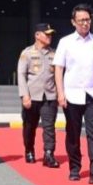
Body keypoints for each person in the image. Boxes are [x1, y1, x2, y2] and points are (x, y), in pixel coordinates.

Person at [53, 4, 93, 184]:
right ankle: (75, 168)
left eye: (87, 20)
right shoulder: (65, 42)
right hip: (72, 94)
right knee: (73, 133)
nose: (85, 23)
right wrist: (60, 93)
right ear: (73, 22)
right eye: (81, 20)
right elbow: (58, 68)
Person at [18, 23, 59, 167]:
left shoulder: (55, 53)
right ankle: (29, 150)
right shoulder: (27, 53)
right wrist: (24, 95)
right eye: (46, 34)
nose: (49, 37)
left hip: (49, 96)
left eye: (50, 34)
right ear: (37, 35)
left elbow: (59, 76)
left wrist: (60, 94)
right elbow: (21, 75)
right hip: (32, 96)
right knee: (29, 127)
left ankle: (49, 154)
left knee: (49, 127)